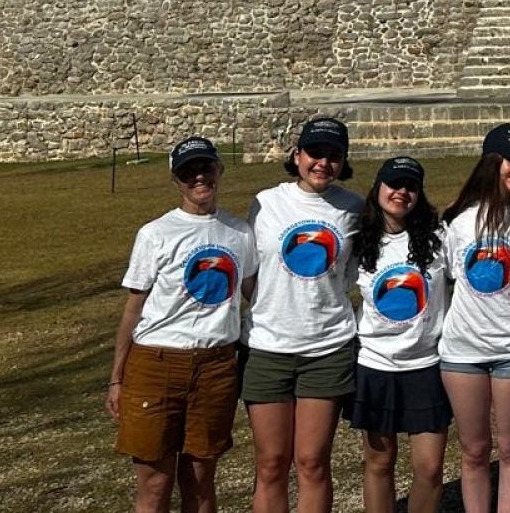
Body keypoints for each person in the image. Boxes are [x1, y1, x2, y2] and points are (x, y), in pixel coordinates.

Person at [107, 136, 255, 513]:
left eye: (206, 168)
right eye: (188, 172)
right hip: (155, 363)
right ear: (176, 180)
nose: (199, 178)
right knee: (155, 485)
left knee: (201, 482)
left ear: (219, 171)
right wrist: (117, 377)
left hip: (215, 366)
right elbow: (133, 309)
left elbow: (254, 293)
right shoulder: (156, 233)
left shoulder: (239, 233)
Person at [245, 117, 367, 513]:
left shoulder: (353, 209)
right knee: (271, 464)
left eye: (334, 156)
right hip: (268, 346)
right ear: (297, 156)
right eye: (315, 153)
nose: (323, 163)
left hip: (326, 348)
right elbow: (250, 272)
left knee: (313, 463)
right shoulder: (265, 203)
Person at [440, 124, 510, 513]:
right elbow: (446, 280)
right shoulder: (458, 221)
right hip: (463, 350)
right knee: (473, 450)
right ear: (491, 162)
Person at [350, 157, 451, 513]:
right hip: (376, 365)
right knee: (379, 463)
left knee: (430, 468)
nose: (401, 192)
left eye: (410, 186)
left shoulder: (439, 239)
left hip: (427, 364)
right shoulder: (359, 242)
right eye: (394, 184)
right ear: (378, 188)